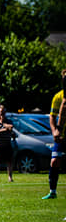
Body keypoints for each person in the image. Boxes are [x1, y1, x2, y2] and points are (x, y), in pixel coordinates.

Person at [43, 69, 66, 199]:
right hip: (61, 135)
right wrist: (55, 131)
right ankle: (52, 191)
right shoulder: (58, 97)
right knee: (54, 161)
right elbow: (52, 117)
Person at [0, 104, 15, 183]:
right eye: (0, 112)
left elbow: (11, 127)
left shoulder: (9, 121)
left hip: (7, 144)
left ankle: (10, 177)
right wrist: (4, 129)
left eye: (3, 112)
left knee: (9, 161)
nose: (2, 114)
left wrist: (4, 125)